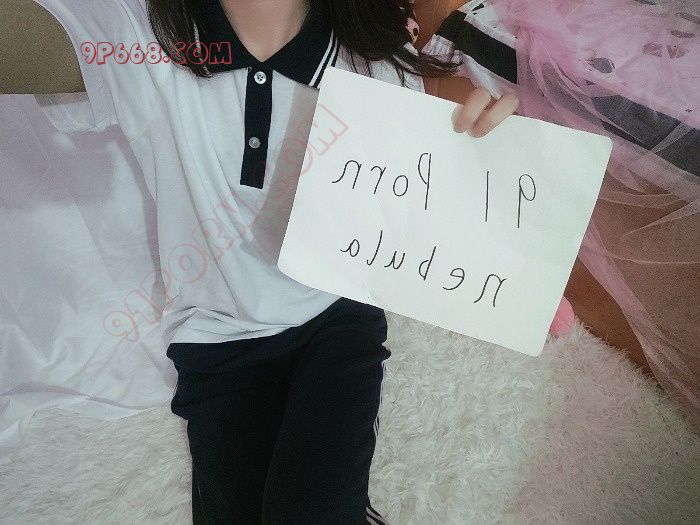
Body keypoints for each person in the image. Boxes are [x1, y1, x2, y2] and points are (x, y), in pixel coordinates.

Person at [0, 1, 519, 523]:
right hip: (217, 336)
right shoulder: (138, 33)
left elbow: (414, 200)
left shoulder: (376, 50)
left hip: (337, 316)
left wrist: (483, 146)